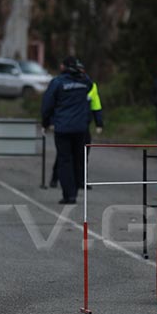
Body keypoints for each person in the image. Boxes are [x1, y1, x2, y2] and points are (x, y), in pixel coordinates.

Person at [42, 56, 99, 204]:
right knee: (78, 159)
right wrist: (81, 73)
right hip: (80, 128)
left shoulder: (57, 83)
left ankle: (69, 195)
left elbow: (47, 105)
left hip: (63, 128)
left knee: (65, 160)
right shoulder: (84, 82)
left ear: (63, 67)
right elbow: (90, 84)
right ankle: (76, 186)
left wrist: (45, 123)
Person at [50, 63, 103, 189]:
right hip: (67, 124)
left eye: (83, 70)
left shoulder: (90, 85)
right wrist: (52, 121)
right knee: (64, 155)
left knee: (82, 155)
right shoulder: (66, 84)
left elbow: (96, 105)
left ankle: (81, 181)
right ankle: (55, 178)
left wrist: (99, 123)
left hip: (83, 125)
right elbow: (55, 104)